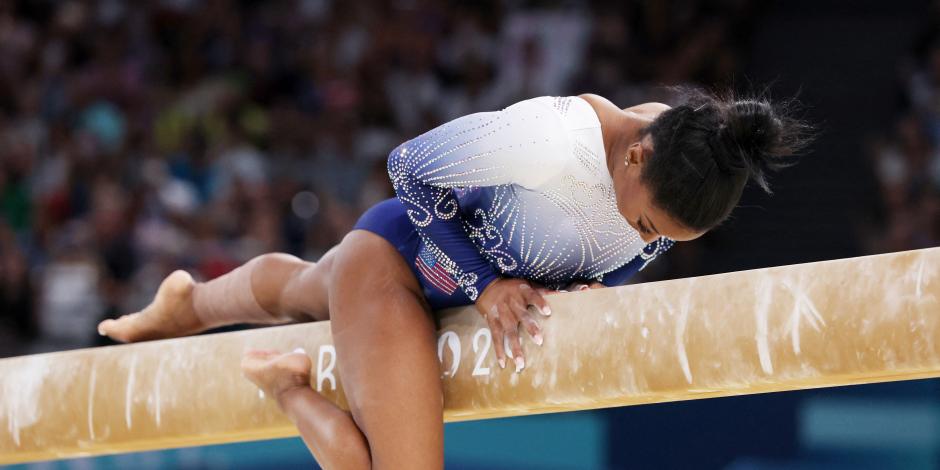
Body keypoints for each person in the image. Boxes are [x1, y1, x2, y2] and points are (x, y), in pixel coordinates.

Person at [98, 88, 807, 469]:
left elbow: (622, 244)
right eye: (650, 228)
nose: (645, 244)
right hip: (401, 265)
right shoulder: (554, 143)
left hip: (422, 275)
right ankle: (284, 384)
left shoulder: (688, 150)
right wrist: (484, 287)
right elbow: (408, 167)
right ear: (633, 158)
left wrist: (595, 283)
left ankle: (187, 301)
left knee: (303, 286)